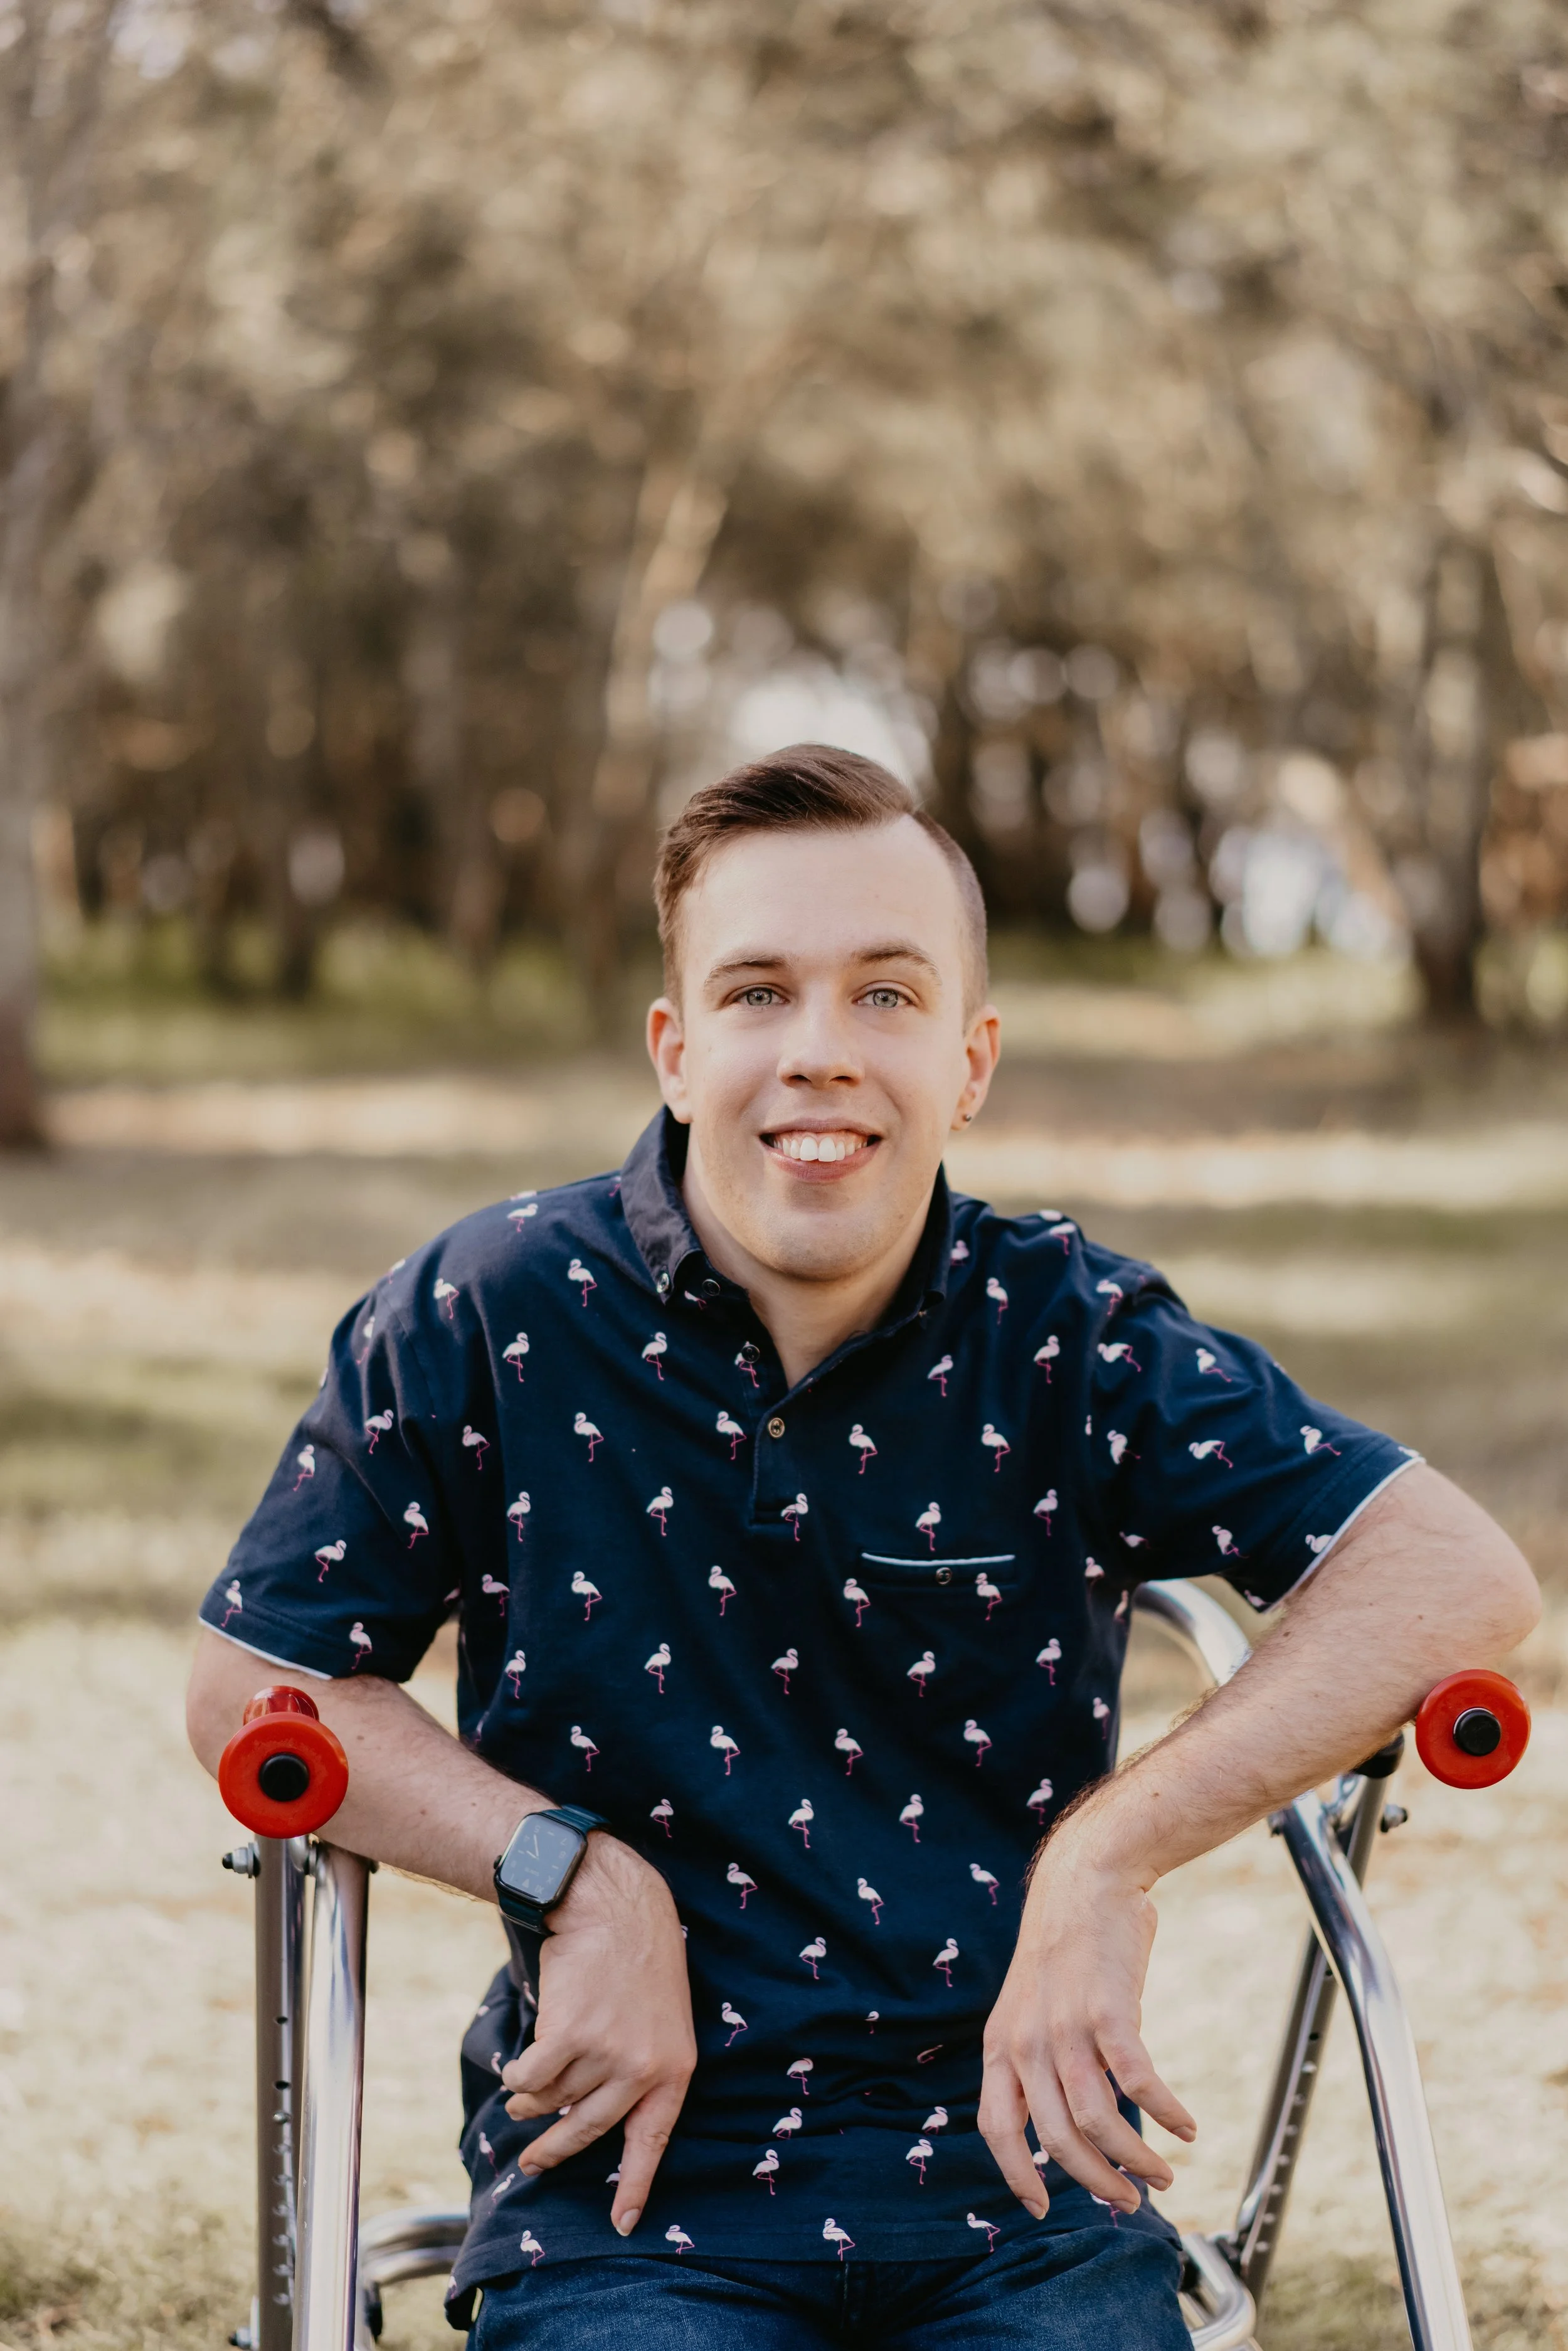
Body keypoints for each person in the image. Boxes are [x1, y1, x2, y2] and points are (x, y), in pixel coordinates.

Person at [186, 745, 1539, 2350]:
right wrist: (569, 1870)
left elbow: (1454, 1571)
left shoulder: (1070, 1333)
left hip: (1023, 2188)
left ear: (969, 1060)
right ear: (675, 1050)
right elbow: (256, 1683)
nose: (818, 1053)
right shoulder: (487, 1312)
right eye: (758, 992)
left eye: (885, 996)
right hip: (622, 2197)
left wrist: (1106, 1853)